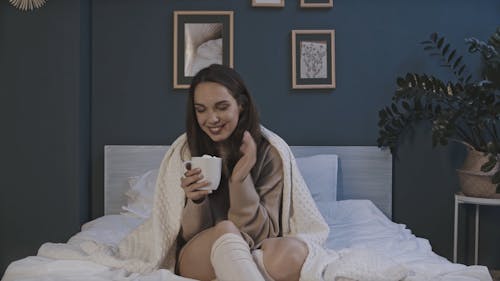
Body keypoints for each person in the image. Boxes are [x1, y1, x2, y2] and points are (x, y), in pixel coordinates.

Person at [176, 64, 309, 281]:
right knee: (226, 229)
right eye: (201, 110)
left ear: (241, 105)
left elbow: (265, 235)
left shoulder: (270, 152)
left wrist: (240, 180)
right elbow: (186, 235)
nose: (212, 119)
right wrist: (196, 201)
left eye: (221, 107)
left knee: (295, 251)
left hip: (255, 248)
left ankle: (236, 272)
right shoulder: (185, 152)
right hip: (200, 254)